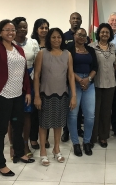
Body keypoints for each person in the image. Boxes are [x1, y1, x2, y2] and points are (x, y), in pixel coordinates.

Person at [0, 19, 35, 177]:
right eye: (7, 30)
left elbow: (24, 73)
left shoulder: (18, 49)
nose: (11, 32)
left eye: (12, 30)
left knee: (17, 125)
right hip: (1, 96)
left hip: (17, 95)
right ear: (0, 32)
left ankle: (19, 153)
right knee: (0, 131)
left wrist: (27, 91)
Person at [33, 28, 76, 166]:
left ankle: (56, 149)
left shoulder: (67, 54)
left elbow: (70, 76)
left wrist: (73, 95)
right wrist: (37, 96)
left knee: (58, 123)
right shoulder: (42, 53)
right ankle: (43, 151)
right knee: (43, 124)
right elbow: (37, 76)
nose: (56, 40)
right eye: (53, 37)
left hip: (62, 94)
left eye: (59, 37)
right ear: (49, 39)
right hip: (45, 94)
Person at [9, 17, 39, 159]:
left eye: (25, 27)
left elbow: (38, 63)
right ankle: (13, 145)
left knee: (27, 114)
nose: (23, 29)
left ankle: (25, 143)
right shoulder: (9, 43)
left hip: (30, 80)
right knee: (12, 116)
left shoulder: (33, 43)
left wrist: (33, 79)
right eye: (19, 27)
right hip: (12, 81)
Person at [67, 28, 98, 156]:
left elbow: (95, 67)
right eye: (79, 35)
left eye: (84, 36)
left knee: (90, 115)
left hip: (89, 83)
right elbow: (68, 68)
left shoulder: (90, 49)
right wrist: (80, 80)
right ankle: (75, 143)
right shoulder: (69, 49)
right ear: (74, 35)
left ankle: (86, 142)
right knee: (73, 114)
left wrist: (88, 79)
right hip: (74, 81)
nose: (81, 37)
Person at [62, 12, 88, 142]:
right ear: (69, 20)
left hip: (82, 76)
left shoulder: (85, 37)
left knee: (79, 106)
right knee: (69, 105)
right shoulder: (64, 36)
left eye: (78, 18)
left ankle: (78, 128)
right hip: (68, 76)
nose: (76, 20)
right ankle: (66, 131)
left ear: (81, 20)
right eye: (73, 18)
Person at [89, 23, 116, 148]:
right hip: (95, 84)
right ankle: (93, 136)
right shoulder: (91, 47)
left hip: (110, 84)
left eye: (107, 32)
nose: (104, 34)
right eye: (102, 32)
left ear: (110, 34)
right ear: (98, 33)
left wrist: (110, 73)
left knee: (106, 111)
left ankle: (103, 137)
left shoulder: (113, 47)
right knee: (94, 111)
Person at [30, 18, 50, 149]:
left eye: (46, 28)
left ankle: (46, 139)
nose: (44, 30)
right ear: (36, 29)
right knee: (34, 111)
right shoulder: (31, 43)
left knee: (47, 110)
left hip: (48, 80)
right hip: (34, 79)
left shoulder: (51, 43)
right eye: (41, 28)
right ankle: (33, 138)